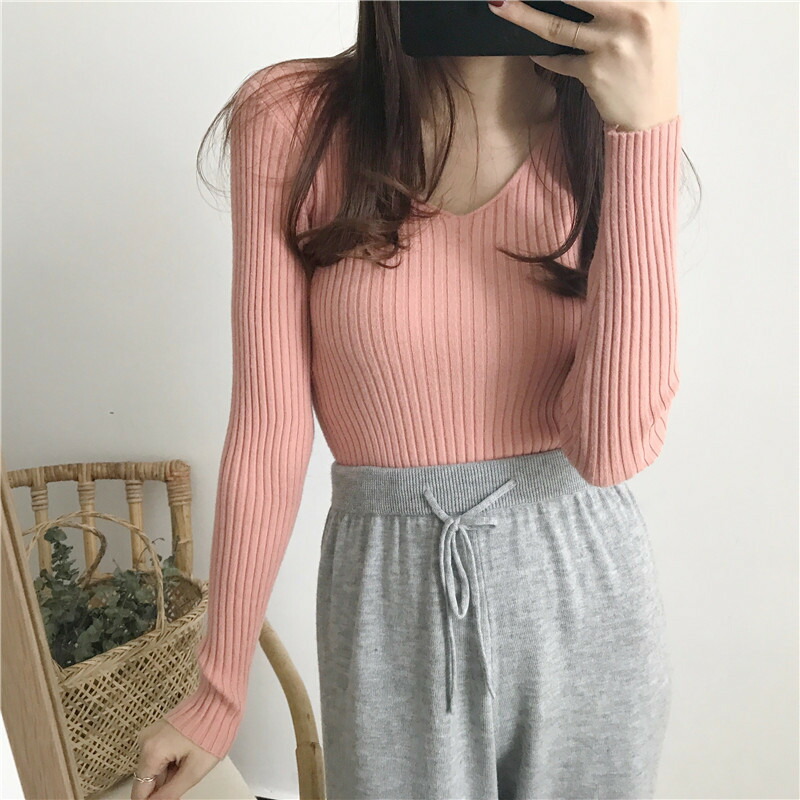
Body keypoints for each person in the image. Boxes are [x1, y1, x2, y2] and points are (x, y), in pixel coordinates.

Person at [133, 1, 683, 798]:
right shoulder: (293, 121)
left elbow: (611, 450)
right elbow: (268, 430)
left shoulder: (609, 131)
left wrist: (644, 133)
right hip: (387, 599)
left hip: (585, 596)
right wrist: (218, 694)